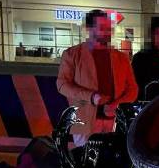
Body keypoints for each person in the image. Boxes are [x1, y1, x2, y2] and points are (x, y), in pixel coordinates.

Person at [56, 9, 138, 145]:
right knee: (85, 156)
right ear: (89, 28)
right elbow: (62, 85)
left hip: (115, 121)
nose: (107, 32)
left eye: (109, 28)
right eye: (102, 27)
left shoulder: (121, 58)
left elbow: (133, 89)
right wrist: (91, 96)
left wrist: (116, 104)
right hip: (84, 121)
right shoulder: (72, 54)